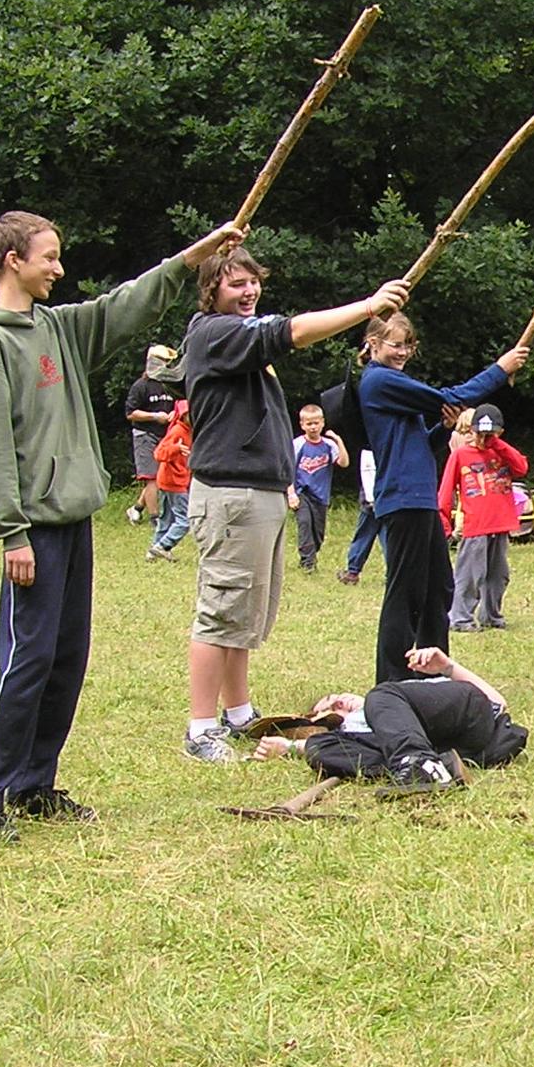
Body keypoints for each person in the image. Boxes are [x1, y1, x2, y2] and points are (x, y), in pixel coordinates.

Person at [0, 210, 241, 841]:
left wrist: (196, 255)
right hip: (33, 529)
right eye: (48, 257)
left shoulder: (55, 327)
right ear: (13, 261)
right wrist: (10, 533)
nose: (59, 269)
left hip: (74, 520)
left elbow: (124, 305)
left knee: (65, 659)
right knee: (26, 661)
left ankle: (32, 786)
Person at [181, 246, 410, 763]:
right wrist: (369, 306)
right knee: (221, 611)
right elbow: (292, 331)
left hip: (257, 494)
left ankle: (238, 712)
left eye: (253, 282)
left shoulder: (236, 339)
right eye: (236, 284)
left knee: (246, 611)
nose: (249, 291)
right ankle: (200, 729)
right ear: (211, 291)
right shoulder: (213, 333)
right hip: (231, 495)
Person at [359, 311, 530, 684]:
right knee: (405, 593)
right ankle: (392, 682)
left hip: (419, 499)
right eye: (395, 344)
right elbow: (450, 397)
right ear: (373, 344)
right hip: (402, 499)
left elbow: (421, 444)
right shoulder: (379, 381)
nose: (403, 352)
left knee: (439, 588)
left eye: (408, 345)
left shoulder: (397, 386)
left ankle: (434, 674)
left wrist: (445, 427)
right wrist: (500, 370)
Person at [253, 645, 527, 789]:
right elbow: (320, 744)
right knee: (323, 752)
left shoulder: (389, 697)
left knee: (380, 695)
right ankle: (430, 766)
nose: (341, 702)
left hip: (464, 718)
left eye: (338, 695)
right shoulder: (345, 736)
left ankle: (420, 765)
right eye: (333, 707)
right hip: (455, 749)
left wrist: (448, 667)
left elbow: (496, 704)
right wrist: (289, 747)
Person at [439, 402, 529, 632]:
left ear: (500, 432)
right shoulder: (461, 455)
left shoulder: (502, 453)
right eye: (480, 433)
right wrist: (444, 521)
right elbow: (446, 490)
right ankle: (460, 618)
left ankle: (491, 615)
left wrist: (496, 444)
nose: (483, 438)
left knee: (498, 575)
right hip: (476, 525)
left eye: (490, 434)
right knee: (470, 574)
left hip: (500, 523)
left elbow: (521, 468)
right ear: (471, 431)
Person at [123, 343, 180, 525]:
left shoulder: (170, 386)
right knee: (151, 477)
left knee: (161, 476)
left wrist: (174, 414)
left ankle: (137, 509)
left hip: (167, 436)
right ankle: (155, 519)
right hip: (145, 434)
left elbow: (181, 405)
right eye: (163, 361)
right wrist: (155, 416)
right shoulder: (141, 386)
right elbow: (131, 413)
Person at [290, 403, 349, 572]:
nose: (313, 427)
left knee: (318, 533)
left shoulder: (328, 445)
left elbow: (344, 463)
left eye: (316, 423)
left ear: (322, 422)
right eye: (309, 424)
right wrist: (291, 493)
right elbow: (288, 469)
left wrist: (338, 440)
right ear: (302, 425)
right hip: (302, 492)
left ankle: (311, 555)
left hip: (321, 495)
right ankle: (308, 563)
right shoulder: (298, 444)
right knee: (305, 524)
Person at [146, 399, 193, 561]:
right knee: (185, 520)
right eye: (188, 414)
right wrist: (176, 448)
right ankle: (163, 546)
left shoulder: (191, 431)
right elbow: (159, 453)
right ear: (182, 416)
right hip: (173, 481)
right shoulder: (178, 431)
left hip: (171, 480)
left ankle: (152, 552)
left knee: (166, 519)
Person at [337, 446, 381, 584]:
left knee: (366, 534)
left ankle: (352, 571)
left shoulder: (372, 447)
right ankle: (353, 571)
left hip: (375, 499)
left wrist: (371, 499)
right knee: (387, 537)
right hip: (383, 499)